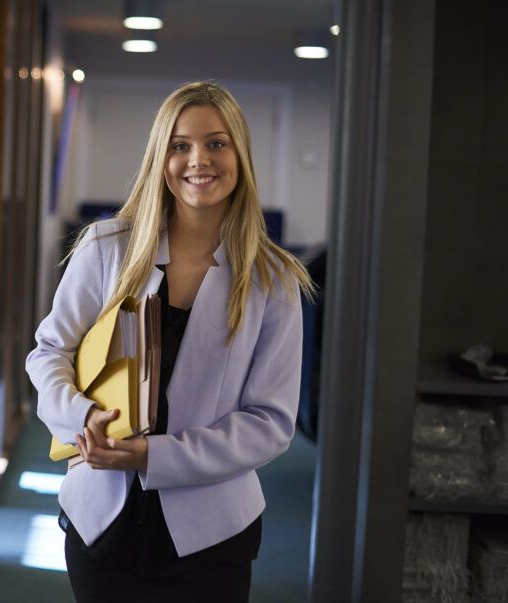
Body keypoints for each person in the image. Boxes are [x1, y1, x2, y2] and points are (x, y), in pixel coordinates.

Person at [25, 81, 316, 602]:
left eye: (216, 143)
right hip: (101, 522)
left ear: (240, 155)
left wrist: (152, 457)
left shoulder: (274, 280)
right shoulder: (106, 248)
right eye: (180, 145)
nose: (198, 159)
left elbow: (270, 423)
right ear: (161, 157)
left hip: (212, 535)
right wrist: (81, 417)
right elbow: (50, 353)